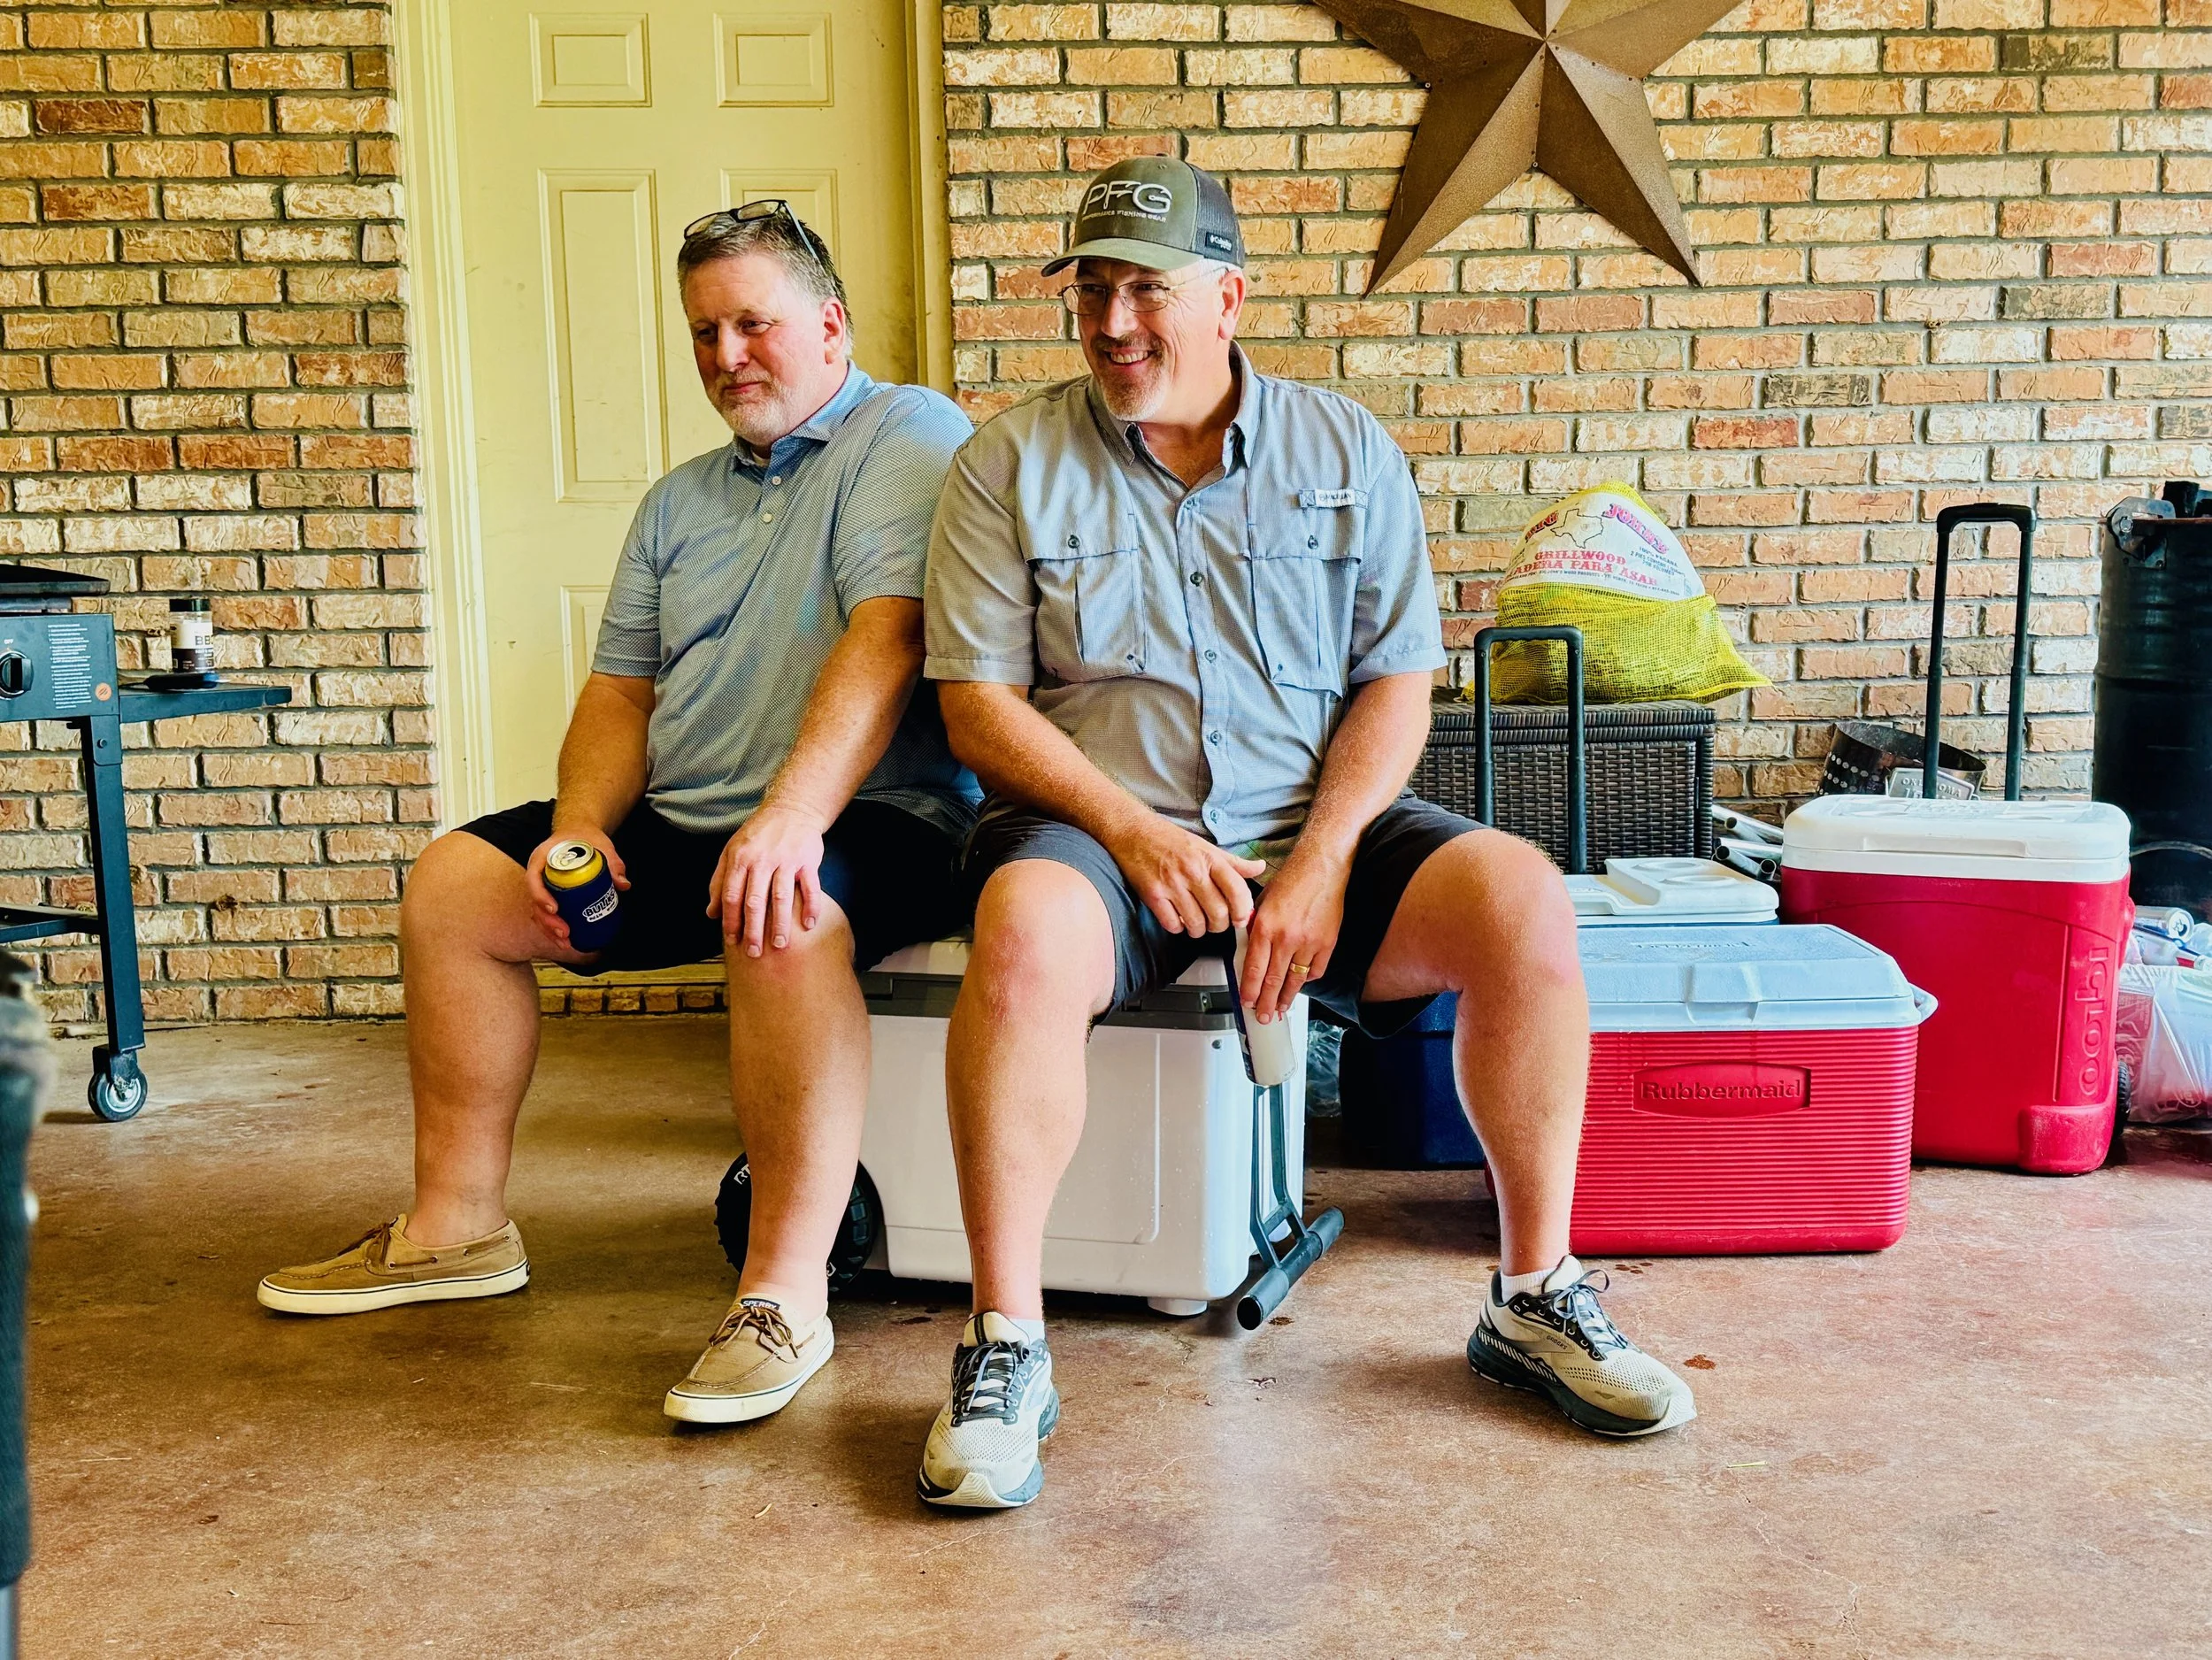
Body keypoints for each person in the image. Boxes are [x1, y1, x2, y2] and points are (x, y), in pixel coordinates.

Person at [915, 160, 1695, 1509]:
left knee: (1522, 901)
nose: (1109, 325)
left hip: (1309, 826)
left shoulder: (1346, 451)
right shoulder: (1006, 463)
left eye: (1143, 290)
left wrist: (1327, 858)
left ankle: (1533, 1291)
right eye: (1090, 292)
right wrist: (1132, 833)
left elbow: (1397, 680)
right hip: (1097, 835)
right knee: (1027, 933)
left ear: (1227, 296)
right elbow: (975, 703)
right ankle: (1006, 1344)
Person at [259, 204, 978, 1427]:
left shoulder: (905, 434)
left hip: (878, 814)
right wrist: (576, 830)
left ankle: (785, 1295)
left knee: (780, 909)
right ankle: (457, 1226)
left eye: (755, 323)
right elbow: (620, 689)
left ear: (831, 323)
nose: (727, 355)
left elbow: (891, 634)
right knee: (453, 890)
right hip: (691, 821)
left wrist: (793, 819)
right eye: (705, 332)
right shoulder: (680, 500)